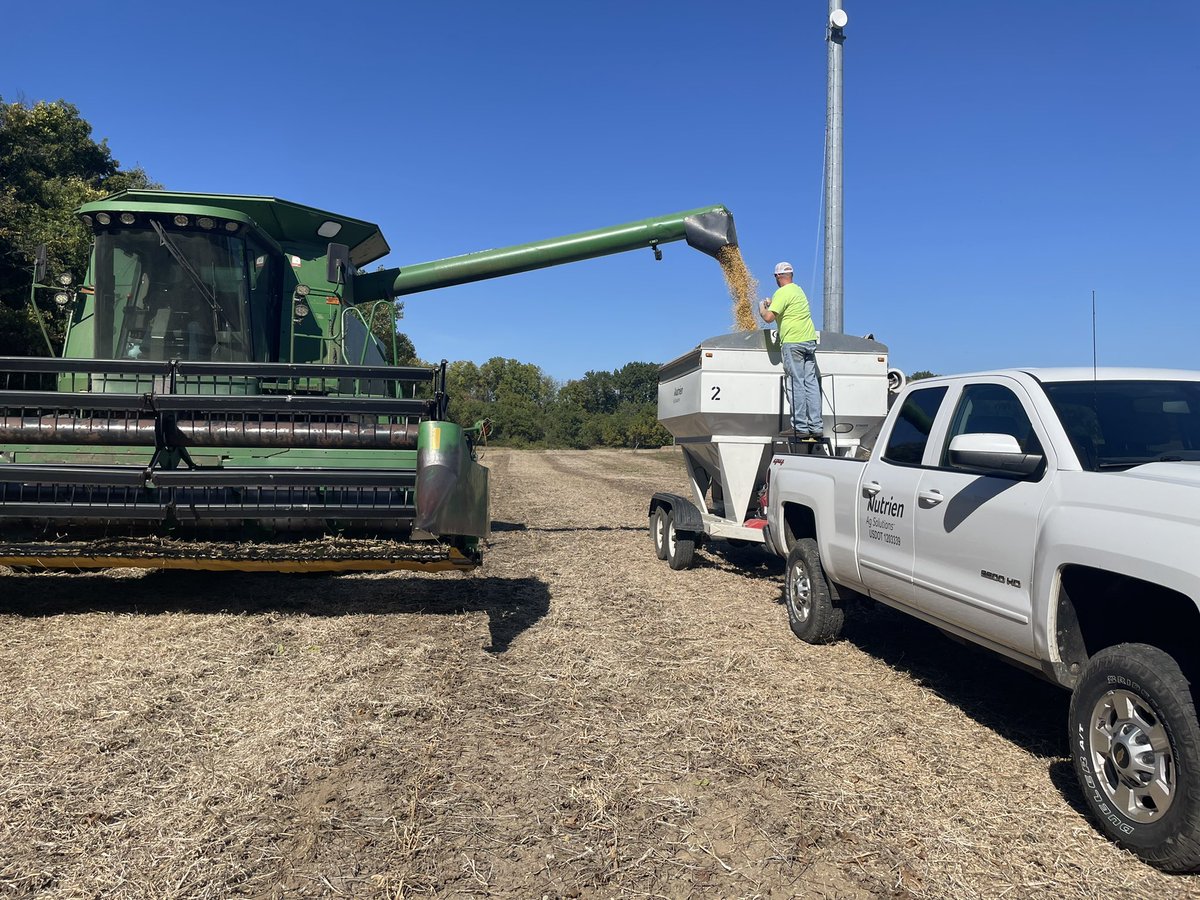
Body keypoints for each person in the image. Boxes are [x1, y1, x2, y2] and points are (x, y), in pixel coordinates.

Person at [759, 261, 823, 438]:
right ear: (791, 275)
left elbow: (768, 317)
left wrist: (761, 307)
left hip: (793, 341)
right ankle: (816, 426)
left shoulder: (782, 292)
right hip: (809, 340)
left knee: (796, 383)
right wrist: (773, 303)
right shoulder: (798, 291)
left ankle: (800, 427)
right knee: (811, 383)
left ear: (778, 276)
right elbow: (787, 306)